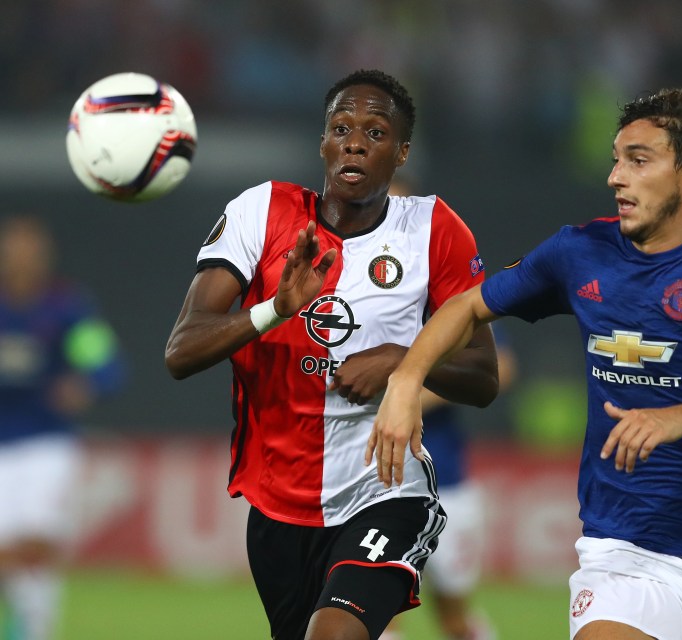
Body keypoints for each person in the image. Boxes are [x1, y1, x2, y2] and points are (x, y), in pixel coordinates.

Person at [370, 88, 682, 640]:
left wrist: (681, 416)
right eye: (616, 159)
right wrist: (405, 381)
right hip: (624, 551)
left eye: (638, 160)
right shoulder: (578, 252)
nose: (615, 177)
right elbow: (468, 306)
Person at [164, 69, 499, 640]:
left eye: (375, 132)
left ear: (401, 153)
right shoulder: (260, 212)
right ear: (322, 142)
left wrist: (402, 360)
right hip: (278, 506)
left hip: (386, 492)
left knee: (335, 634)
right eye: (342, 128)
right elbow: (182, 351)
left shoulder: (434, 231)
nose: (355, 142)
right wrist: (275, 308)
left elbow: (484, 375)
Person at [380, 178, 517, 640]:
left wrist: (406, 391)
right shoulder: (353, 288)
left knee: (454, 618)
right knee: (373, 613)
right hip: (375, 483)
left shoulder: (443, 287)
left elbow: (503, 366)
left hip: (445, 482)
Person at [0, 215, 123, 640]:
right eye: (14, 250)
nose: (22, 259)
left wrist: (85, 382)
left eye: (30, 251)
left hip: (45, 442)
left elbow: (106, 365)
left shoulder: (64, 309)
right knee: (12, 550)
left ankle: (31, 630)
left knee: (36, 539)